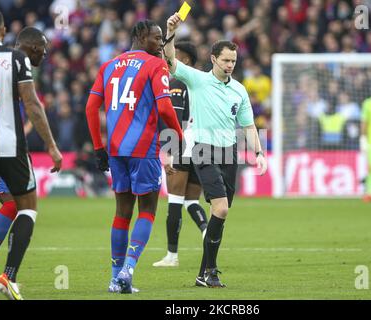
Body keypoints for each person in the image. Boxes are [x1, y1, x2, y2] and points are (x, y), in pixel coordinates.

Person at [165, 13, 268, 288]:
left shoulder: (239, 90)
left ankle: (203, 274)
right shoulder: (197, 79)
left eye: (233, 61)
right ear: (213, 59)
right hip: (203, 149)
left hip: (228, 153)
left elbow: (248, 126)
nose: (230, 65)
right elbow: (170, 60)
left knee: (220, 214)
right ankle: (210, 270)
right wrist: (170, 31)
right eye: (225, 60)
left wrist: (259, 153)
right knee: (220, 209)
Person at [85, 19, 183, 294]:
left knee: (121, 213)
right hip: (144, 149)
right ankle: (128, 269)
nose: (161, 44)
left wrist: (98, 147)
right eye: (157, 38)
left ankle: (115, 278)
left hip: (116, 150)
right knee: (148, 210)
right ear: (140, 36)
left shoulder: (109, 66)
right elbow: (164, 108)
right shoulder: (155, 65)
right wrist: (179, 135)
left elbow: (91, 108)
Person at [0, 9, 62, 301]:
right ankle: (8, 275)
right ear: (3, 30)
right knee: (27, 208)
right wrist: (52, 146)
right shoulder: (15, 58)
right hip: (10, 147)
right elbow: (32, 104)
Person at [0, 27, 44, 286]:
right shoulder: (14, 62)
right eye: (41, 48)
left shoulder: (2, 61)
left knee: (12, 205)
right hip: (0, 146)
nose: (43, 53)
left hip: (1, 143)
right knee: (16, 205)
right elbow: (30, 104)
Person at [153, 42, 208, 268]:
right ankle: (207, 231)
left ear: (183, 60)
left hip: (183, 145)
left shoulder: (177, 83)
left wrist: (167, 152)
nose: (166, 61)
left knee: (174, 200)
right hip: (204, 147)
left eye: (171, 56)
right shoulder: (204, 83)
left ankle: (172, 256)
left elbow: (171, 117)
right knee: (191, 200)